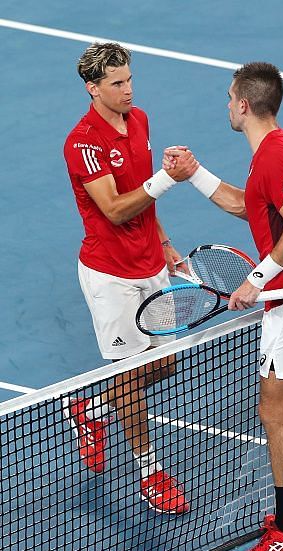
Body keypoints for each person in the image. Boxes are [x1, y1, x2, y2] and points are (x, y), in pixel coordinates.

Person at [164, 62, 283, 551]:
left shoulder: (273, 157)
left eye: (228, 98)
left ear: (243, 105)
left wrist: (255, 280)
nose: (226, 105)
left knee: (273, 410)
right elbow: (253, 207)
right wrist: (194, 174)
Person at [63, 42, 198, 514]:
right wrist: (168, 178)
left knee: (165, 364)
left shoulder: (138, 120)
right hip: (110, 276)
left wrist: (164, 243)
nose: (128, 90)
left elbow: (144, 202)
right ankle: (150, 470)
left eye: (129, 79)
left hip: (151, 264)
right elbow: (117, 209)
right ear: (93, 88)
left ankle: (90, 410)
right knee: (127, 376)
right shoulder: (82, 143)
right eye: (117, 83)